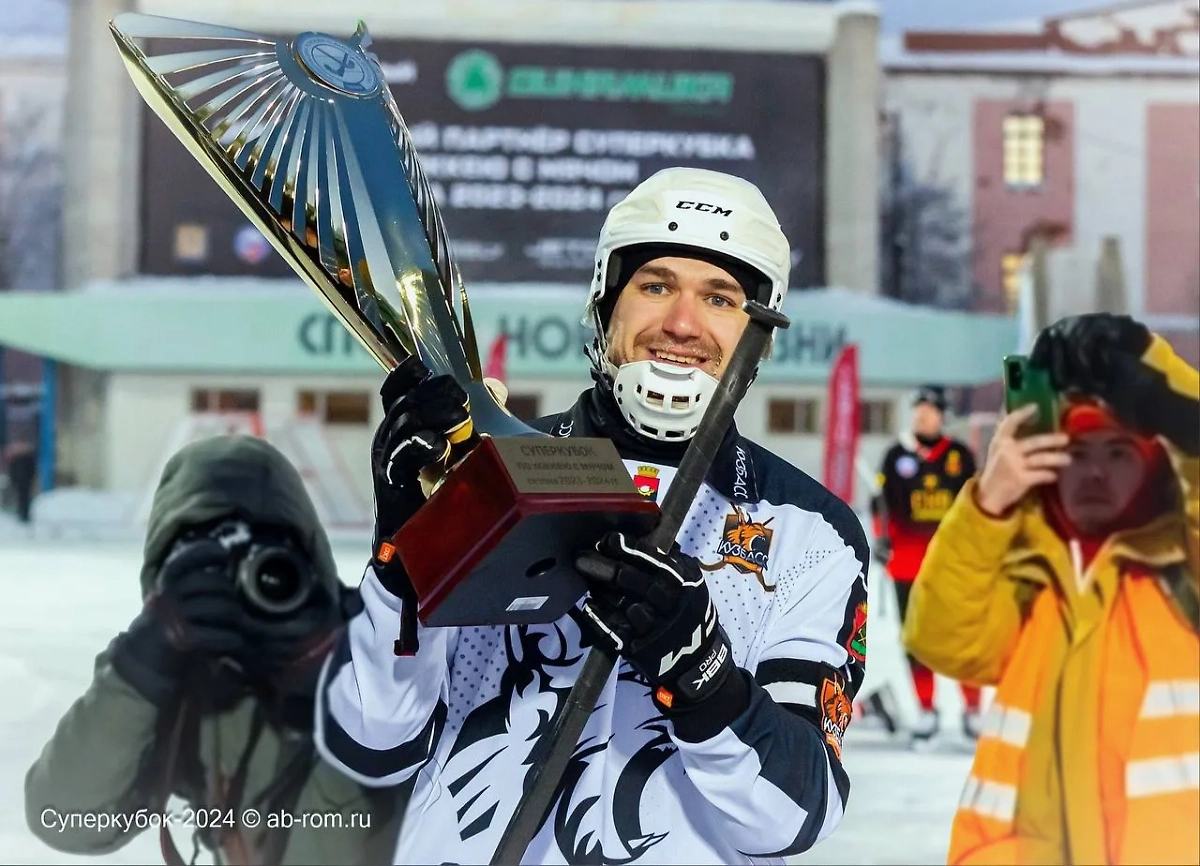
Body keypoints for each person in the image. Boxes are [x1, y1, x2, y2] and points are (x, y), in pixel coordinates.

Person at [314, 167, 870, 864]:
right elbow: (372, 743)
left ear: (762, 332)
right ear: (605, 302)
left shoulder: (810, 533)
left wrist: (700, 672)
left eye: (720, 298)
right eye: (656, 285)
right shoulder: (493, 477)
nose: (681, 324)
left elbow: (794, 816)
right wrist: (404, 563)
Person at [25, 435, 408, 865]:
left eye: (272, 564)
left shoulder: (383, 646)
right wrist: (142, 664)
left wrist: (337, 683)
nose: (245, 583)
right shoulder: (178, 679)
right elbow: (65, 818)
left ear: (310, 559)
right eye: (211, 564)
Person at [902, 313, 1199, 866]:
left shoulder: (1181, 570)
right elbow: (944, 639)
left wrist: (1170, 394)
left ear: (1155, 465)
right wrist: (989, 506)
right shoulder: (1033, 568)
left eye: (1117, 454)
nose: (1093, 474)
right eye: (1076, 454)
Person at [870, 385, 981, 742]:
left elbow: (976, 507)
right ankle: (926, 708)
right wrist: (882, 539)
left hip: (955, 565)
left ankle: (973, 709)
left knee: (964, 637)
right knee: (917, 641)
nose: (922, 414)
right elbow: (881, 507)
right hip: (908, 566)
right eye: (918, 408)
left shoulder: (960, 457)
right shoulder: (895, 457)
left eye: (930, 409)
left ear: (942, 415)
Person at [5, 438, 36, 523]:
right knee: (20, 498)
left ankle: (25, 514)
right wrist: (13, 480)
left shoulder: (28, 458)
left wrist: (31, 478)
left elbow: (32, 470)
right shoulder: (16, 459)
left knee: (26, 498)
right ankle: (21, 514)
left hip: (26, 482)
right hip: (19, 482)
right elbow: (12, 471)